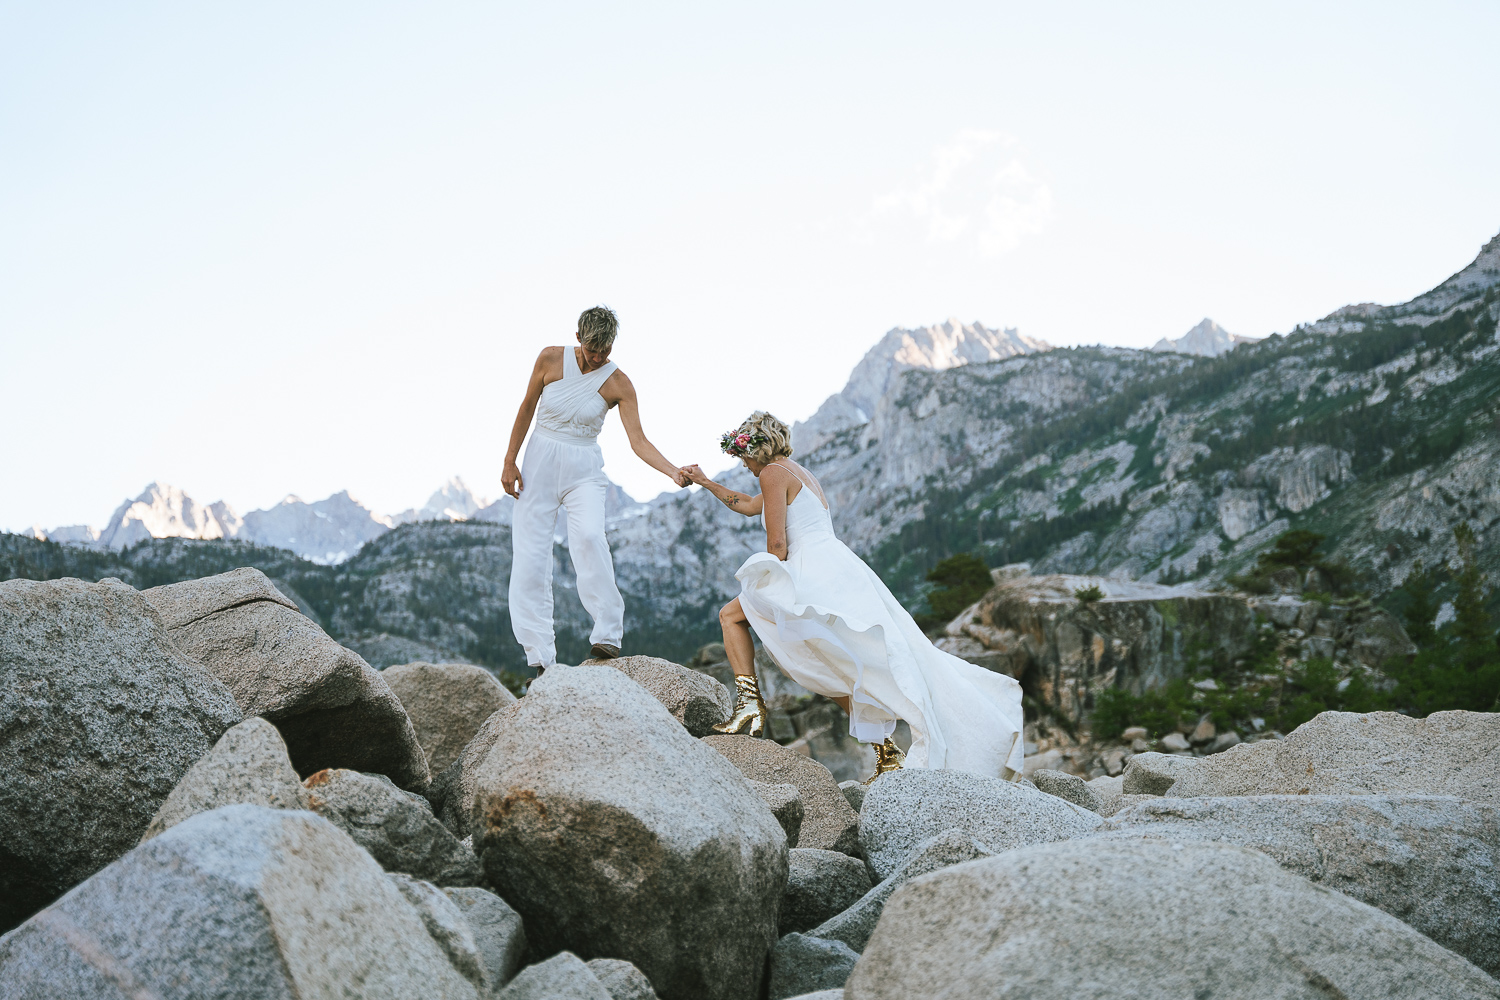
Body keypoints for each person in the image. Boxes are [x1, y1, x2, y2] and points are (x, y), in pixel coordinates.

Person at [682, 411, 1025, 781]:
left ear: (756, 448)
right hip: (837, 570)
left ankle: (750, 705)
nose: (744, 465)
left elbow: (777, 543)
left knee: (731, 617)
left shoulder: (771, 473)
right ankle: (887, 752)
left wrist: (770, 579)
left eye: (743, 456)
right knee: (839, 664)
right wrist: (705, 482)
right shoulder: (796, 472)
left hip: (810, 571)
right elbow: (749, 506)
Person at [503, 306, 688, 670]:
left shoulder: (620, 383)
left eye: (605, 350)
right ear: (578, 339)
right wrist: (509, 460)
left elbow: (639, 441)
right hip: (538, 463)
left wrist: (672, 472)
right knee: (530, 556)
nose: (598, 357)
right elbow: (526, 407)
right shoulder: (550, 359)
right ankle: (539, 658)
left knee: (589, 536)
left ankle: (607, 635)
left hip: (584, 468)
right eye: (592, 349)